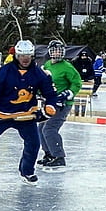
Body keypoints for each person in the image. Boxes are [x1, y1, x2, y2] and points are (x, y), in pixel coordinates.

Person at [0, 39, 63, 184]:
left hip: (25, 115)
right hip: (0, 114)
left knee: (33, 144)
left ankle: (27, 171)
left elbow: (51, 94)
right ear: (16, 55)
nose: (25, 59)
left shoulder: (39, 74)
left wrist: (50, 108)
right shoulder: (4, 71)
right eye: (22, 55)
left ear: (32, 55)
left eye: (28, 55)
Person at [38, 40, 83, 171]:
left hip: (62, 104)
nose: (57, 52)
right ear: (50, 51)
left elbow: (77, 83)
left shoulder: (67, 67)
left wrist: (67, 94)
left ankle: (59, 157)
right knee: (41, 128)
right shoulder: (47, 65)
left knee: (49, 129)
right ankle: (49, 154)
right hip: (49, 103)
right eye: (55, 50)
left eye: (60, 50)